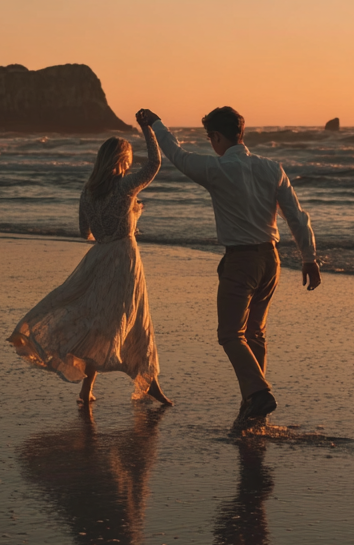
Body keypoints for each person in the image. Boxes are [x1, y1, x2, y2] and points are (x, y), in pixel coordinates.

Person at [135, 105, 320, 424]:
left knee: (230, 334)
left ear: (218, 137)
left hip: (241, 261)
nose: (211, 144)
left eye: (211, 138)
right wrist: (309, 257)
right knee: (255, 333)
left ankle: (258, 392)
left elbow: (177, 155)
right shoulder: (272, 168)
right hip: (271, 260)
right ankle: (254, 404)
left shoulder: (216, 169)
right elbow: (296, 217)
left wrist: (155, 123)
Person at [9, 116, 172, 407]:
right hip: (123, 260)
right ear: (122, 160)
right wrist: (148, 127)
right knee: (135, 322)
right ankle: (150, 384)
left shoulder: (88, 192)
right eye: (129, 159)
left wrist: (106, 225)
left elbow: (85, 232)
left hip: (97, 258)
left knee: (98, 323)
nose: (131, 164)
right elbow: (155, 164)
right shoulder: (123, 188)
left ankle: (88, 390)